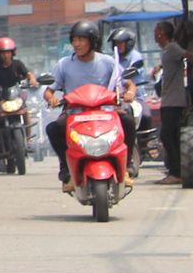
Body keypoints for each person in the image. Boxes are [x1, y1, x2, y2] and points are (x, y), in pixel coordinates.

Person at [43, 19, 137, 188]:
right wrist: (51, 98)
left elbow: (128, 83)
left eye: (81, 40)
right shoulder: (64, 64)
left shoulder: (107, 62)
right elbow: (49, 90)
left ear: (92, 41)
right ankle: (66, 169)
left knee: (128, 122)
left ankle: (127, 167)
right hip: (75, 113)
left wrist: (129, 93)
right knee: (53, 129)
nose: (76, 44)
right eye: (74, 40)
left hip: (105, 111)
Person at [155, 20, 189, 185]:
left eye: (157, 31)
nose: (155, 35)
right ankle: (175, 170)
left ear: (162, 32)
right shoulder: (167, 51)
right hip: (167, 99)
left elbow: (186, 54)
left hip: (174, 100)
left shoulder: (173, 48)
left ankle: (176, 172)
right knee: (171, 136)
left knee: (167, 135)